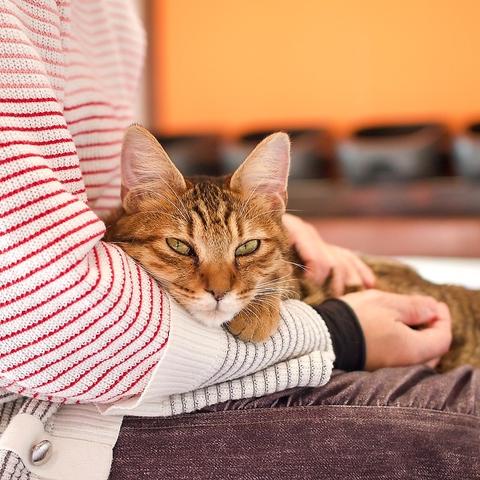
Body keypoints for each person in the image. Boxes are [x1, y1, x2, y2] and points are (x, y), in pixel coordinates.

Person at [0, 1, 461, 479]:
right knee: (460, 425)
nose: (218, 283)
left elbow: (79, 217)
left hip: (138, 337)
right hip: (49, 416)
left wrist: (266, 235)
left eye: (242, 252)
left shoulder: (114, 14)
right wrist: (340, 333)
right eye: (184, 251)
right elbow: (48, 317)